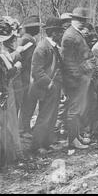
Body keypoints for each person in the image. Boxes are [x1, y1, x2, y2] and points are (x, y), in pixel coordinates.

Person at [62, 7, 96, 149]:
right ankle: (72, 140)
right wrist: (79, 74)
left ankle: (77, 135)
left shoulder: (77, 33)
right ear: (72, 19)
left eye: (83, 20)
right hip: (75, 80)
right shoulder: (70, 35)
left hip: (82, 78)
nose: (82, 22)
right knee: (74, 110)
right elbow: (68, 61)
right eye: (79, 20)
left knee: (79, 109)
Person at [29, 18, 64, 155]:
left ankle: (46, 143)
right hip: (45, 88)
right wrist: (49, 84)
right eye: (59, 32)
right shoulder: (42, 47)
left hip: (53, 87)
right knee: (44, 116)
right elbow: (37, 71)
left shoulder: (53, 46)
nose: (61, 34)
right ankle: (37, 146)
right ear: (53, 32)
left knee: (52, 116)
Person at [0, 19, 24, 167]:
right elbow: (9, 72)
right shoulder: (2, 54)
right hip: (4, 91)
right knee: (6, 123)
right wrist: (18, 66)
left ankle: (10, 154)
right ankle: (8, 156)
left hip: (5, 89)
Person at [18, 15, 42, 136]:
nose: (38, 29)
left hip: (27, 76)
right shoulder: (28, 40)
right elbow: (29, 60)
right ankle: (23, 129)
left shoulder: (27, 39)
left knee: (28, 103)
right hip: (26, 76)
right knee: (28, 103)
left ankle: (24, 127)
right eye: (36, 27)